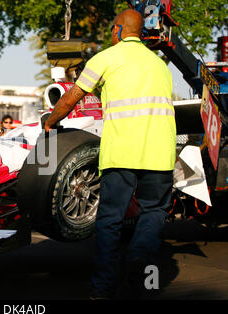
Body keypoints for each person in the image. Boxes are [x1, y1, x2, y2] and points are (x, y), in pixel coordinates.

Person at [44, 9, 176, 299]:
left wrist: (51, 121)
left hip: (121, 153)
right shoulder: (159, 65)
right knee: (153, 213)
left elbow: (71, 97)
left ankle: (102, 289)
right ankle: (144, 277)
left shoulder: (106, 57)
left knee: (110, 220)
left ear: (118, 30)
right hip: (159, 153)